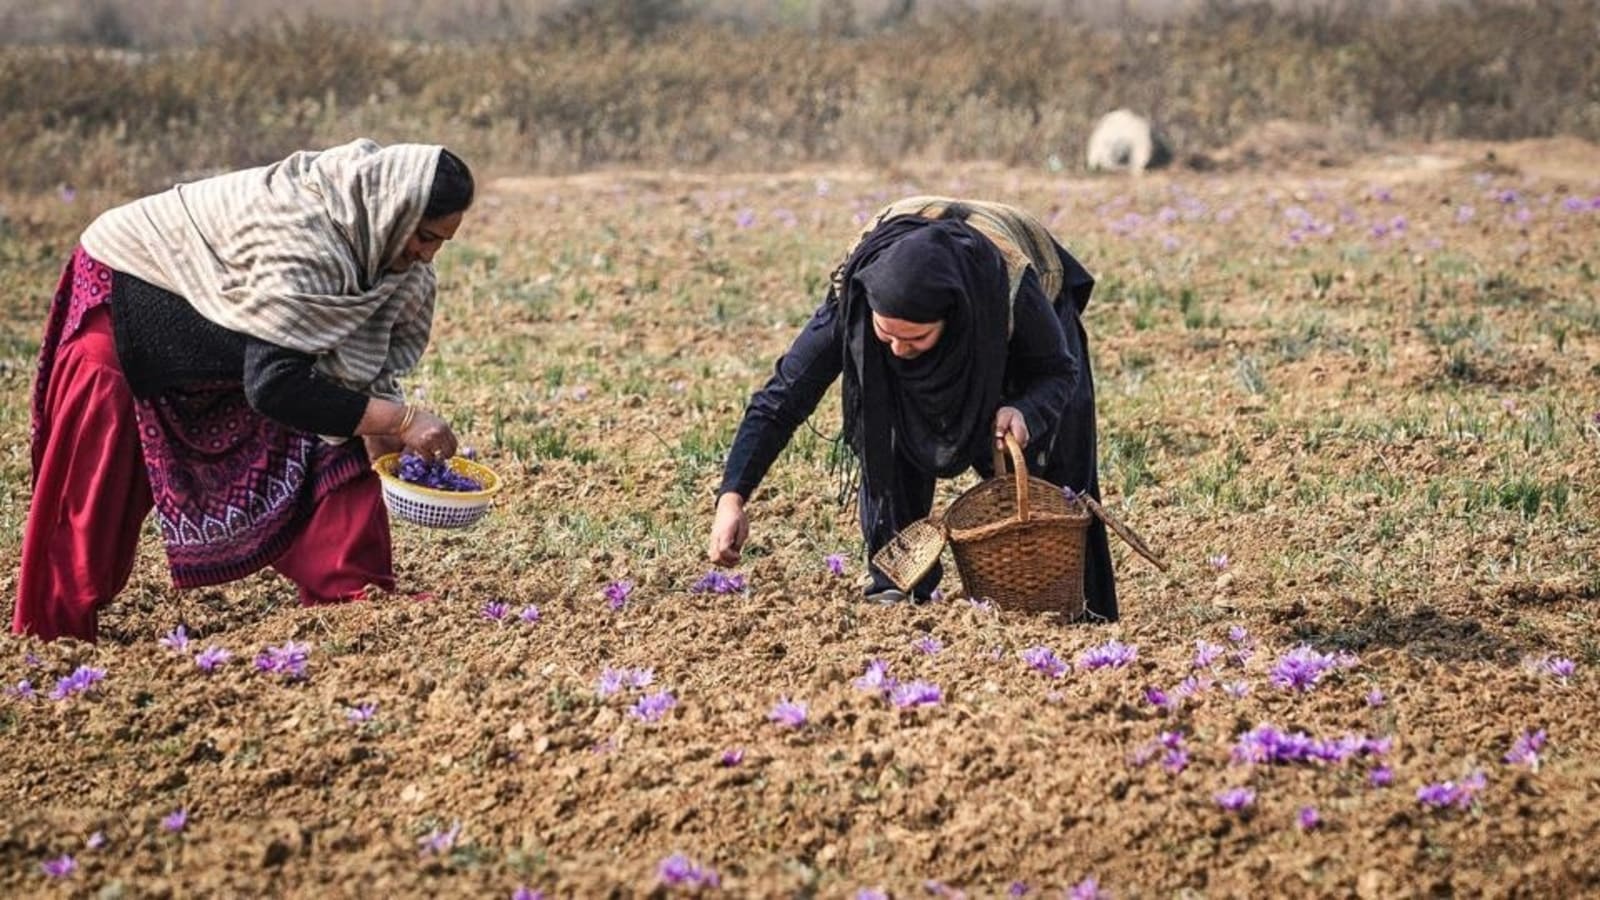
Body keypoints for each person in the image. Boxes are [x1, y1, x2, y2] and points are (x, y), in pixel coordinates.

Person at [13, 139, 473, 643]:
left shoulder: (383, 250)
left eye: (441, 243)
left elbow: (347, 384)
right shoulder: (308, 242)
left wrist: (379, 430)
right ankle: (50, 638)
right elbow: (275, 386)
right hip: (131, 318)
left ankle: (355, 591)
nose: (427, 256)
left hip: (235, 339)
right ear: (397, 213)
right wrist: (401, 420)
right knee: (95, 503)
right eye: (424, 237)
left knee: (337, 425)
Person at [707, 196, 1119, 620]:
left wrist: (1025, 411)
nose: (901, 350)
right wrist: (732, 498)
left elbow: (1056, 372)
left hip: (1011, 321)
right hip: (928, 310)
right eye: (888, 334)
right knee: (886, 418)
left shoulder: (1013, 291)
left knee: (1052, 474)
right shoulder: (855, 299)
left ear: (952, 318)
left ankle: (1070, 608)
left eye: (917, 339)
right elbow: (781, 398)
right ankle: (898, 589)